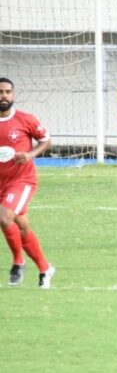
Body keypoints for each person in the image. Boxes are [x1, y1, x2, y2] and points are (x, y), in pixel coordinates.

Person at [0, 77, 56, 288]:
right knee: (21, 227)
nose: (4, 95)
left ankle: (18, 261)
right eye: (0, 92)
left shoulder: (25, 119)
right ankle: (45, 268)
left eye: (7, 92)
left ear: (13, 95)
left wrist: (30, 154)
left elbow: (46, 140)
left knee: (5, 218)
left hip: (22, 180)